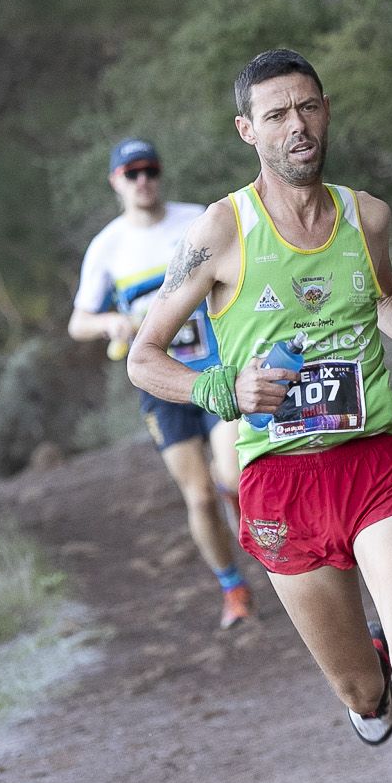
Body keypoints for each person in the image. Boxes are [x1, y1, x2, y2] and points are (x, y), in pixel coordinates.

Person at [127, 50, 392, 783]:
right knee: (366, 690)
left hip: (375, 464)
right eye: (277, 114)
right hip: (281, 486)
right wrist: (222, 389)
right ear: (249, 130)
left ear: (326, 112)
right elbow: (145, 356)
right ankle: (369, 688)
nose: (297, 127)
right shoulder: (218, 232)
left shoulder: (368, 215)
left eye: (308, 108)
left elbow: (387, 292)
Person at [70, 137, 255, 630]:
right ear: (116, 182)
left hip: (216, 370)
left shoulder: (200, 219)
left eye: (150, 170)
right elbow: (78, 321)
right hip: (159, 383)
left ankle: (242, 509)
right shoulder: (107, 246)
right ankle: (232, 589)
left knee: (234, 476)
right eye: (132, 173)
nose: (143, 181)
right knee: (197, 497)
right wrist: (110, 323)